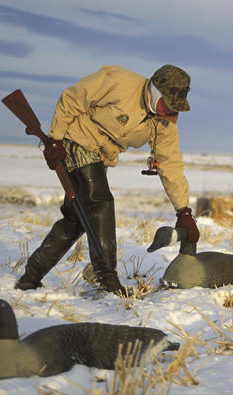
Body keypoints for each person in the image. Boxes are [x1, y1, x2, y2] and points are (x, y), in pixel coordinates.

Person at [15, 64, 200, 296]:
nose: (169, 111)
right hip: (77, 140)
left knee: (78, 219)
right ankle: (108, 280)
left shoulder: (165, 122)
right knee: (100, 204)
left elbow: (170, 163)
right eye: (167, 103)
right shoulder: (118, 81)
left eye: (175, 107)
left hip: (100, 158)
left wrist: (183, 211)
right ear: (154, 90)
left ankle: (30, 277)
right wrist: (55, 139)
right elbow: (73, 98)